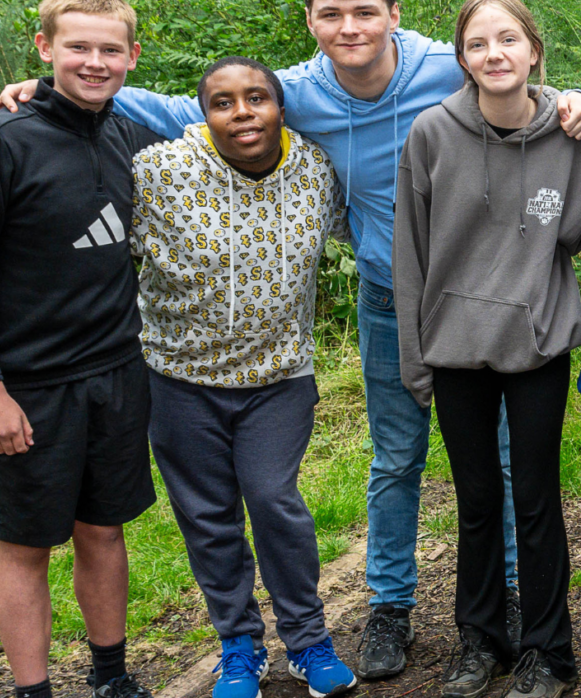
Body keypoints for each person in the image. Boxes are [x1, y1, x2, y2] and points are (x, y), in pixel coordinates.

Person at [0, 2, 581, 675]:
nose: (350, 27)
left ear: (393, 13)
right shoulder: (295, 92)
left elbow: (518, 78)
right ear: (311, 21)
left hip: (497, 302)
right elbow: (191, 104)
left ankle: (509, 601)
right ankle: (390, 607)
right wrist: (46, 92)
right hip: (392, 300)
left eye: (366, 9)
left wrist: (575, 97)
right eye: (331, 13)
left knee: (505, 469)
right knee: (396, 461)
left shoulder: (447, 64)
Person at [129, 56, 359, 698]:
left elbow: (375, 218)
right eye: (223, 103)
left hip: (280, 378)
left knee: (272, 499)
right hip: (179, 379)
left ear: (280, 106)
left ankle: (309, 643)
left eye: (256, 98)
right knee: (208, 516)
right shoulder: (157, 172)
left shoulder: (315, 169)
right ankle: (238, 647)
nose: (242, 114)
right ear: (204, 114)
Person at [393, 1, 581, 696]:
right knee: (477, 499)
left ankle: (550, 651)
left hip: (537, 342)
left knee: (538, 498)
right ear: (462, 59)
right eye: (478, 43)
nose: (494, 53)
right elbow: (411, 254)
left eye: (508, 38)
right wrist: (415, 357)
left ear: (534, 51)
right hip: (454, 347)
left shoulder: (573, 134)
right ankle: (480, 642)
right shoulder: (431, 133)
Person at [0, 2, 163, 698]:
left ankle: (111, 675)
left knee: (103, 531)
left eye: (110, 51)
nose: (94, 63)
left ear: (133, 58)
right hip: (29, 387)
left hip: (116, 374)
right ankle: (33, 691)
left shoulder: (137, 141)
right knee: (25, 546)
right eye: (77, 47)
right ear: (44, 46)